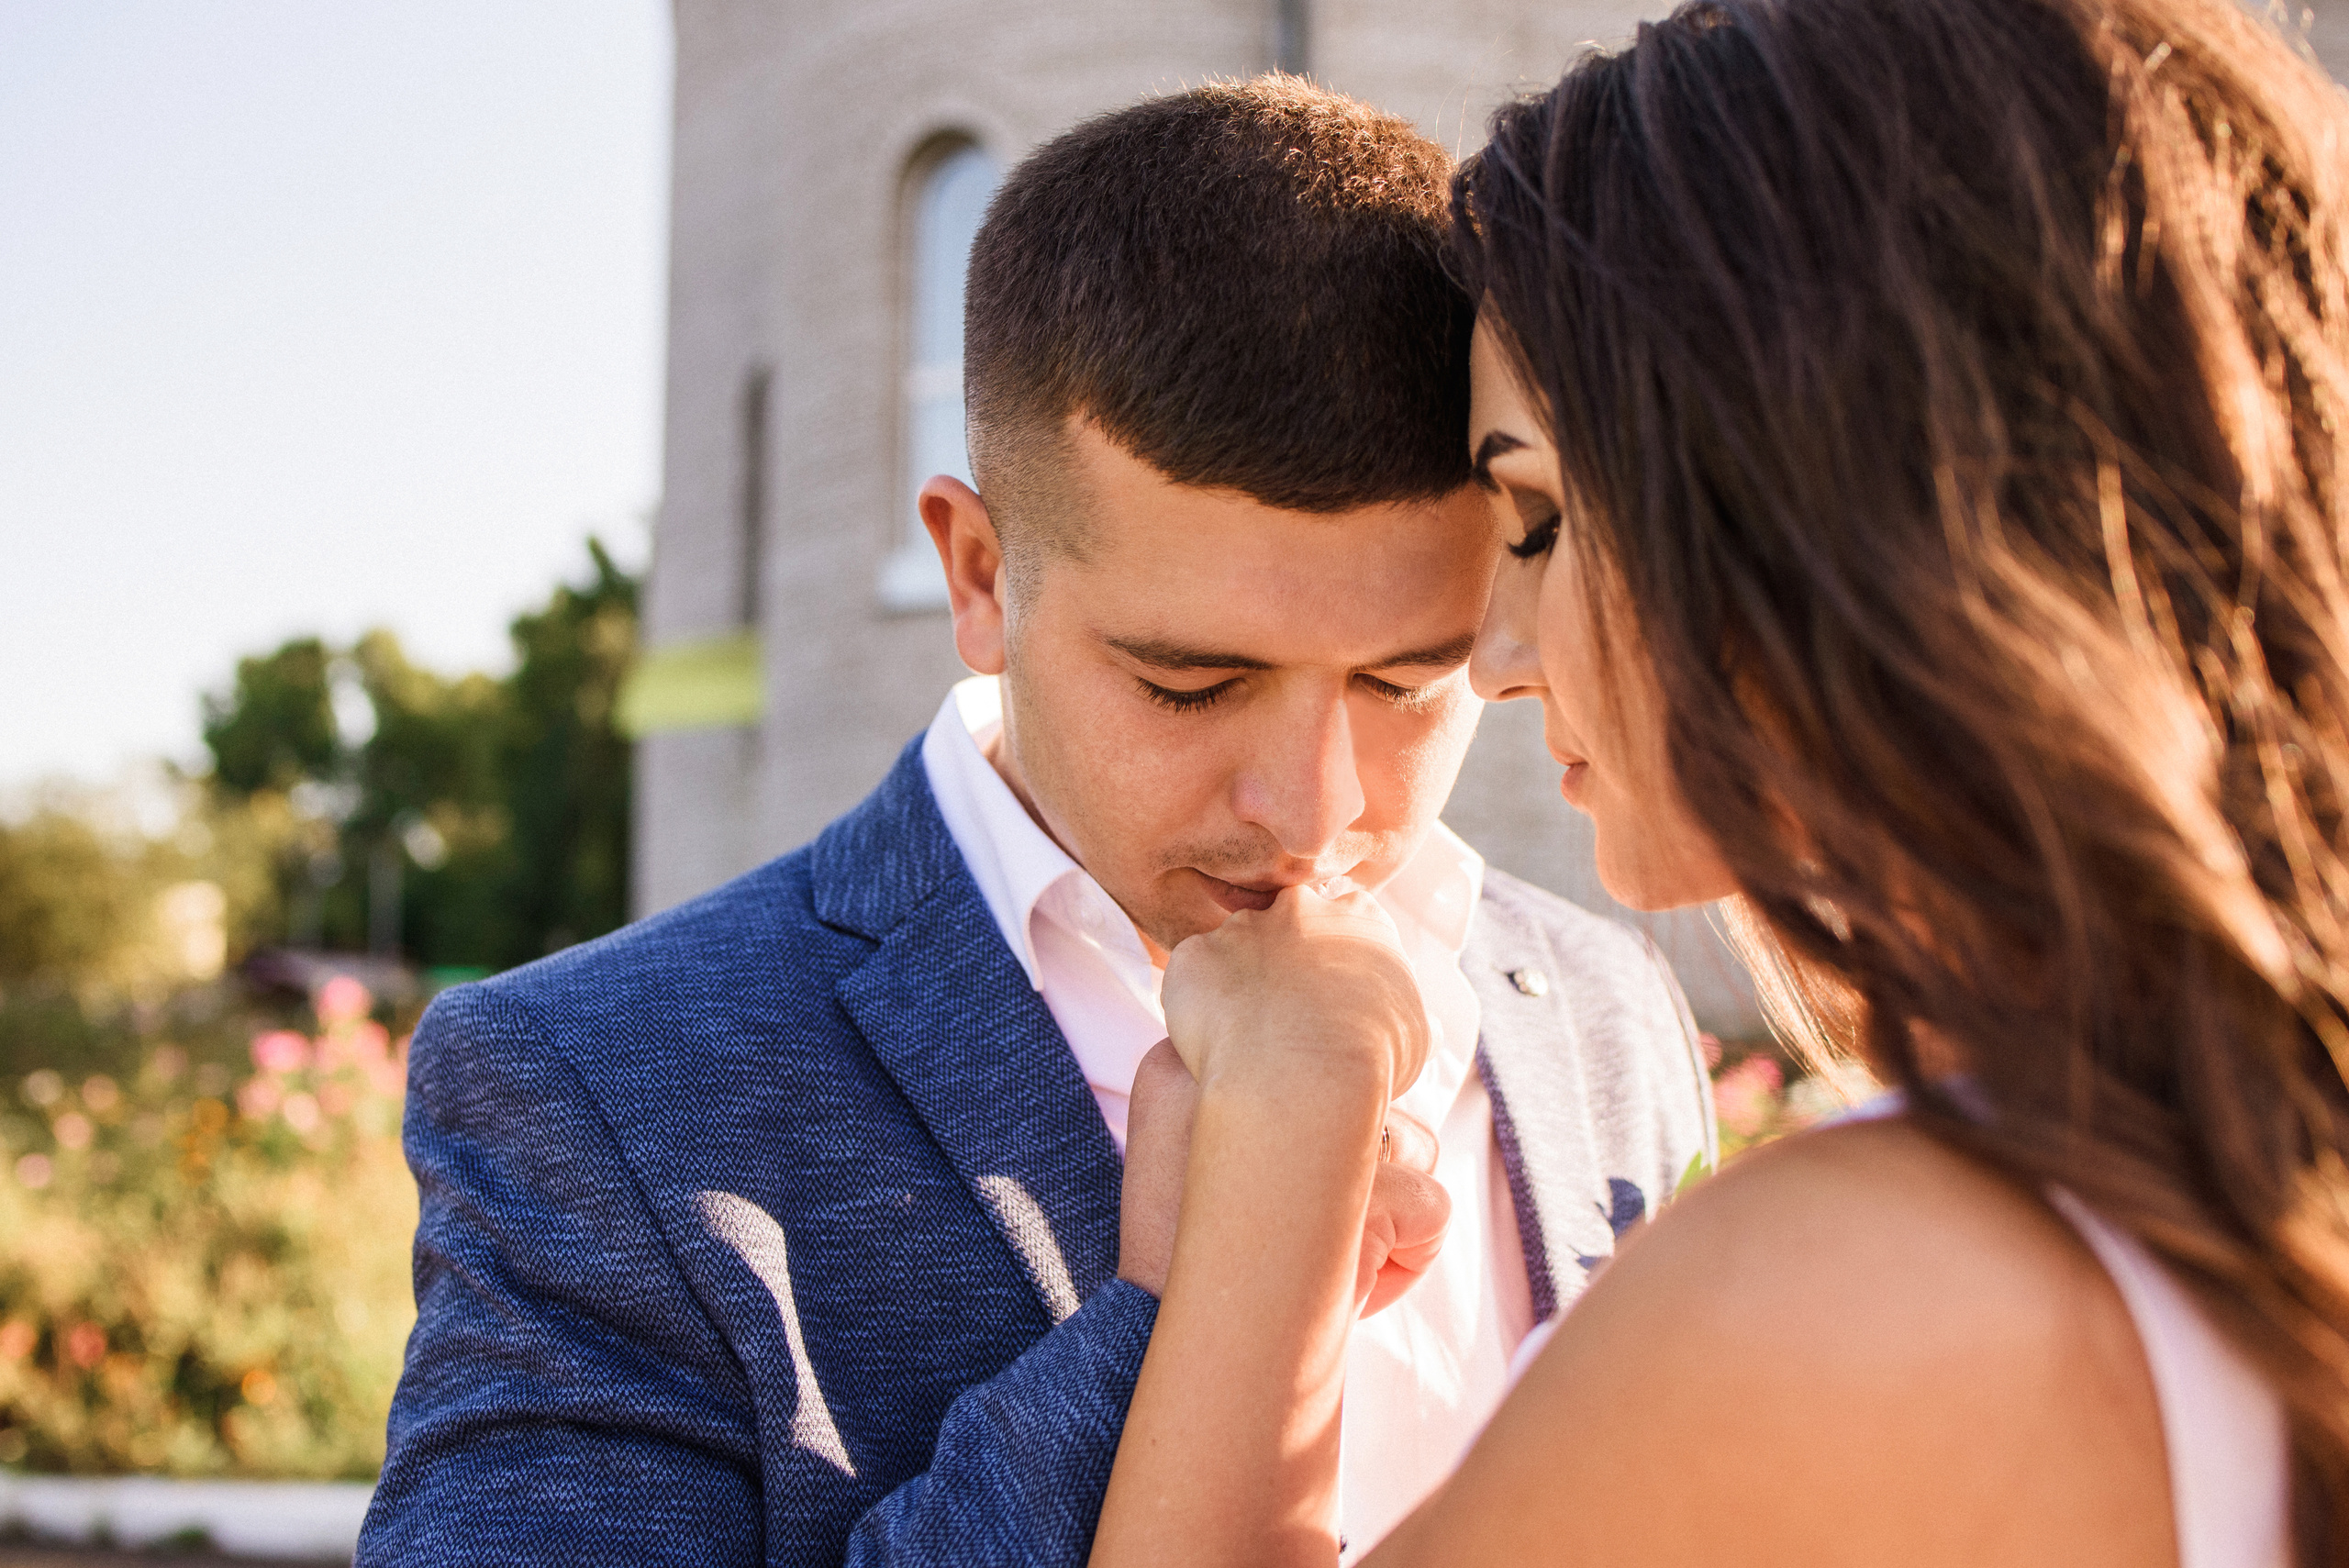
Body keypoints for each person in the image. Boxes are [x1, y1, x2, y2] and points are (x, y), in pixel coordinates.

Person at [356, 78, 1713, 1568]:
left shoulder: (1604, 1011)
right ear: (982, 573)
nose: (1316, 809)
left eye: (1409, 681)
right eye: (1190, 682)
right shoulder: (594, 1093)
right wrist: (1186, 1303)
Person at [1089, 0, 2349, 1564]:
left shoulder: (1855, 1290)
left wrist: (1283, 1135)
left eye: (1537, 519)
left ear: (1819, 496)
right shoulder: (2225, 1184)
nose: (1494, 655)